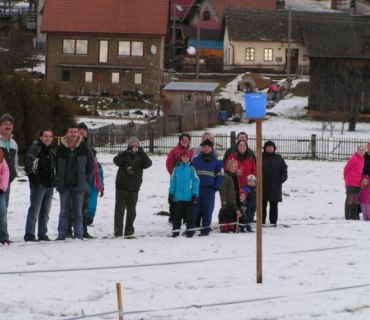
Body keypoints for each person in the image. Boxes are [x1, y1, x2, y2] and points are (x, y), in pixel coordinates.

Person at [55, 125, 94, 240]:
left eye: (75, 132)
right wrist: (58, 179)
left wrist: (85, 179)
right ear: (67, 133)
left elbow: (90, 165)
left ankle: (79, 234)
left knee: (78, 212)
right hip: (64, 185)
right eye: (70, 131)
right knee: (63, 212)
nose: (73, 134)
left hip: (79, 185)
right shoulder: (60, 148)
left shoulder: (84, 148)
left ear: (78, 133)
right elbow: (56, 166)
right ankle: (61, 234)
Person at [114, 136, 152, 238]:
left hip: (134, 187)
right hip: (121, 186)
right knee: (119, 210)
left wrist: (142, 152)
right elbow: (116, 161)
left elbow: (148, 164)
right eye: (132, 145)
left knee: (131, 211)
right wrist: (126, 153)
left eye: (136, 145)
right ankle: (118, 232)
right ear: (129, 145)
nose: (134, 146)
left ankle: (129, 232)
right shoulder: (124, 155)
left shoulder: (141, 156)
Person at [24, 128, 56, 242]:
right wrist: (34, 179)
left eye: (50, 136)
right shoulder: (35, 148)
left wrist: (54, 179)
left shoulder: (52, 151)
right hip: (38, 185)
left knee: (45, 211)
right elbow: (28, 164)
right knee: (35, 210)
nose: (48, 138)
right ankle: (29, 234)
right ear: (41, 137)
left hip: (49, 185)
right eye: (46, 136)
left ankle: (42, 234)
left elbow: (54, 167)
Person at [192, 139, 224, 236]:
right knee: (195, 210)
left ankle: (205, 229)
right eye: (204, 146)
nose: (206, 148)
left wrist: (216, 187)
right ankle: (192, 229)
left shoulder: (217, 161)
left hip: (209, 190)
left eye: (208, 146)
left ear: (211, 148)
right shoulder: (196, 160)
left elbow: (220, 175)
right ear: (201, 148)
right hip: (197, 189)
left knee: (207, 210)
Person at [168, 149, 199, 237]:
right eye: (184, 157)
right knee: (177, 217)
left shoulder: (192, 169)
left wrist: (195, 194)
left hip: (189, 198)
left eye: (187, 157)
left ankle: (190, 232)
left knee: (190, 217)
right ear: (181, 158)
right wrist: (171, 194)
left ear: (190, 158)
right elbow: (172, 183)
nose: (185, 158)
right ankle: (175, 232)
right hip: (178, 198)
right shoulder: (176, 169)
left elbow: (196, 182)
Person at [166, 133, 193, 224]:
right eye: (183, 140)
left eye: (187, 140)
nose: (185, 142)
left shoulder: (191, 152)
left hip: (188, 180)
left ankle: (185, 217)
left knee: (186, 197)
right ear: (180, 141)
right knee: (175, 198)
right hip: (177, 179)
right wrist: (175, 174)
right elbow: (169, 164)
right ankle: (173, 218)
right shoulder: (174, 151)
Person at [262, 140, 288, 226]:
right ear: (264, 148)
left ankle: (273, 222)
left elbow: (284, 170)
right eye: (267, 146)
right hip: (262, 186)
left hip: (275, 186)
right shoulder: (260, 157)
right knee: (262, 205)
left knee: (274, 205)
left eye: (271, 147)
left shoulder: (279, 158)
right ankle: (261, 222)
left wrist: (281, 180)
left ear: (274, 148)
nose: (269, 148)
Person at [0, 113, 18, 208]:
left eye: (10, 124)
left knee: (3, 210)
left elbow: (15, 161)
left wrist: (14, 173)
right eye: (6, 124)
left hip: (6, 182)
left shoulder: (14, 143)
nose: (8, 126)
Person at [219, 159, 242, 233]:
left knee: (232, 213)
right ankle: (224, 227)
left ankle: (231, 226)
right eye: (232, 166)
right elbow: (222, 189)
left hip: (234, 200)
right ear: (228, 167)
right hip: (227, 200)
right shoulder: (226, 176)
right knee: (225, 213)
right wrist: (223, 200)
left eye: (235, 167)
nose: (233, 168)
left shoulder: (236, 176)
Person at [344, 145, 365, 220]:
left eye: (363, 150)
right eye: (360, 150)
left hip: (358, 182)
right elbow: (346, 169)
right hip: (350, 182)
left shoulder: (362, 159)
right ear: (357, 151)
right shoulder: (354, 159)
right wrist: (346, 178)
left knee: (356, 200)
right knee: (350, 199)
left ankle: (354, 215)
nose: (361, 151)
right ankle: (348, 215)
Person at [87, 150, 104, 226]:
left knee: (92, 204)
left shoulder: (98, 166)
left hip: (95, 188)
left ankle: (90, 218)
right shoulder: (85, 164)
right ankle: (84, 218)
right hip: (86, 187)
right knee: (85, 204)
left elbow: (101, 177)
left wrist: (102, 187)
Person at [0, 149, 10, 245]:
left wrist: (2, 187)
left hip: (0, 192)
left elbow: (5, 171)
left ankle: (4, 236)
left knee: (2, 214)